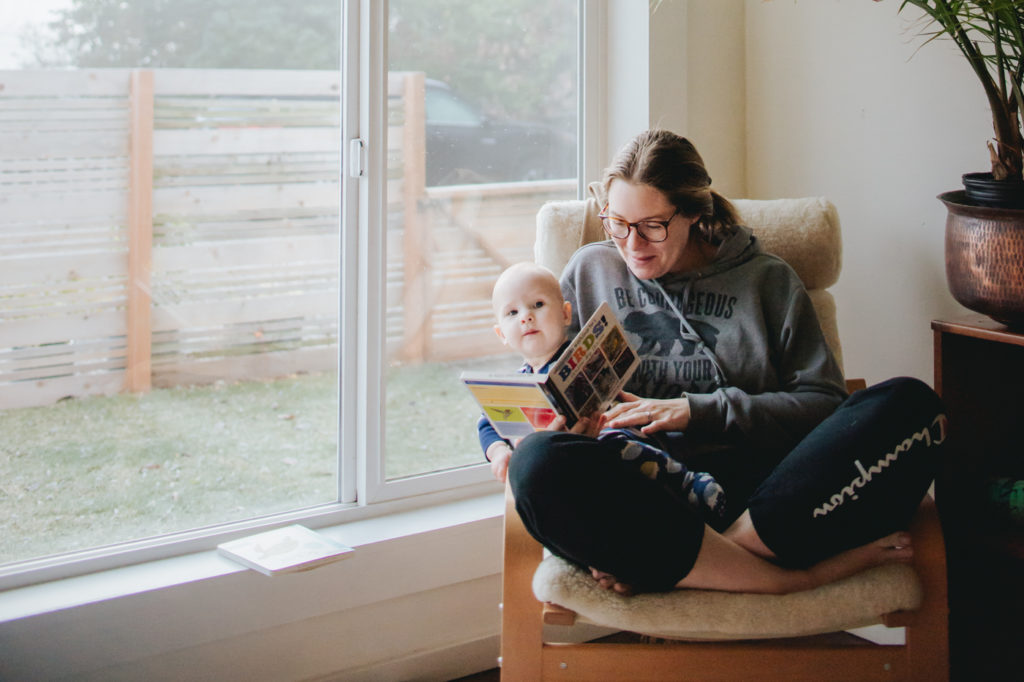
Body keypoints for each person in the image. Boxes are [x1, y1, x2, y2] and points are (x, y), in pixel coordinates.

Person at [508, 129, 947, 596]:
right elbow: (557, 381)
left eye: (652, 226)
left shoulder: (768, 281)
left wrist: (697, 411)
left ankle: (712, 556)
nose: (632, 244)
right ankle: (784, 574)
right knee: (534, 463)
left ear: (695, 211)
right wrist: (562, 430)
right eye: (617, 223)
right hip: (646, 492)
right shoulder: (588, 270)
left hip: (761, 493)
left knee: (911, 404)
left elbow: (824, 405)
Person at [479, 261, 726, 517]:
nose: (526, 317)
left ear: (566, 314)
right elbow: (488, 422)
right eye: (512, 313)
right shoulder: (516, 386)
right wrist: (498, 451)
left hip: (610, 436)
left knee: (620, 445)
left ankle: (687, 484)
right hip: (561, 465)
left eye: (538, 305)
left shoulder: (580, 356)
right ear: (502, 335)